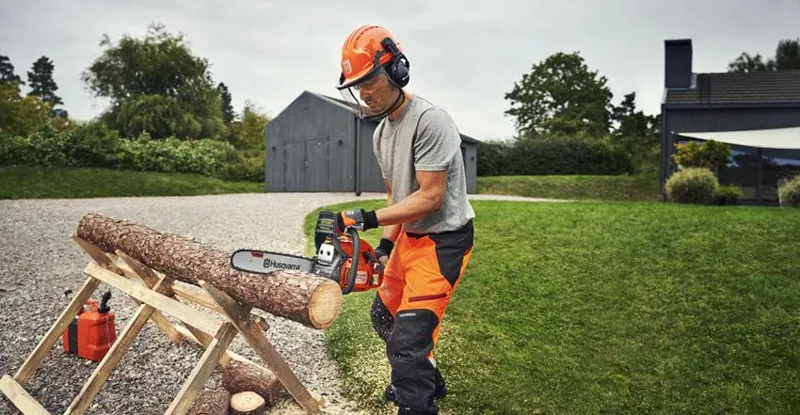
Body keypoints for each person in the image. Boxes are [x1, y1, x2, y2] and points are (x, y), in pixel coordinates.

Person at [334, 24, 476, 415]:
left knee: (407, 344)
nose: (365, 92)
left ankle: (416, 396)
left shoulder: (431, 121)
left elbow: (429, 197)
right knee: (383, 315)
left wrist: (367, 218)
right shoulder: (380, 134)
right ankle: (425, 379)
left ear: (396, 70)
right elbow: (398, 197)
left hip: (443, 242)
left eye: (370, 81)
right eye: (357, 85)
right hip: (409, 241)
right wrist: (383, 246)